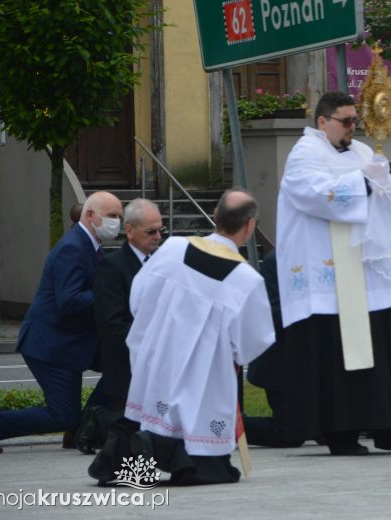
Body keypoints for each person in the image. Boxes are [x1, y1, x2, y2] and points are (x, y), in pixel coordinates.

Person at [91, 189, 274, 485]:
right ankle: (181, 460)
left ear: (215, 216)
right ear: (250, 226)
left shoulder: (174, 248)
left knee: (152, 410)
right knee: (195, 421)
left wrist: (155, 333)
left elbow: (138, 295)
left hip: (158, 356)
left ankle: (140, 455)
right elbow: (254, 341)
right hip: (205, 371)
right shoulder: (247, 280)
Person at [277, 91, 391, 456]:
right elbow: (313, 193)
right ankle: (342, 432)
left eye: (355, 121)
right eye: (346, 121)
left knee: (386, 347)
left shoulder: (361, 152)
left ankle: (390, 427)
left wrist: (384, 184)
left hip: (373, 272)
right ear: (323, 121)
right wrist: (364, 184)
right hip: (335, 278)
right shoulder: (305, 153)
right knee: (340, 355)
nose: (352, 127)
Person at [0, 191, 122, 455]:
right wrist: (108, 293)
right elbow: (69, 302)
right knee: (61, 415)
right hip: (52, 345)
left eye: (120, 217)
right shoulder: (73, 248)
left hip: (74, 341)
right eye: (112, 216)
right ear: (90, 215)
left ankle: (83, 426)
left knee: (125, 364)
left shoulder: (90, 245)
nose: (117, 223)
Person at [93, 199, 164, 414]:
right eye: (151, 232)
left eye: (161, 230)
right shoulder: (112, 266)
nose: (158, 237)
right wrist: (152, 341)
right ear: (130, 231)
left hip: (156, 366)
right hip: (127, 366)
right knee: (125, 434)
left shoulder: (162, 262)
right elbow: (111, 323)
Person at [243, 250, 305, 448]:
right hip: (281, 362)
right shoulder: (276, 261)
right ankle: (223, 426)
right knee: (288, 432)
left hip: (305, 362)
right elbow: (273, 311)